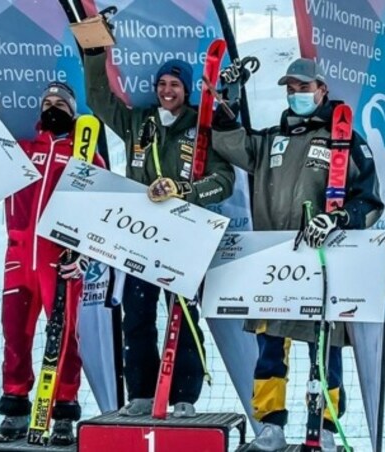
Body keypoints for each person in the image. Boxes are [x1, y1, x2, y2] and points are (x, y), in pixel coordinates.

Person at [211, 58, 384, 451]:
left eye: (303, 88)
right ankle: (270, 427)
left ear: (322, 89)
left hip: (325, 262)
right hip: (276, 263)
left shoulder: (343, 139)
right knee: (270, 347)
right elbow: (231, 142)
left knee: (324, 350)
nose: (296, 94)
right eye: (290, 88)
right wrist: (228, 101)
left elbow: (370, 202)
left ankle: (323, 427)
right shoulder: (272, 137)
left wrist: (338, 218)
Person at [82, 45, 235, 417]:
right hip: (140, 236)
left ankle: (184, 394)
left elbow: (225, 181)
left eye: (175, 85)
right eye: (162, 84)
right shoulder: (139, 122)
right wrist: (94, 53)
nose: (168, 91)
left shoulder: (201, 128)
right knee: (136, 313)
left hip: (184, 237)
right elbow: (99, 100)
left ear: (187, 91)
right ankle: (142, 393)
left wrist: (187, 191)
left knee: (181, 314)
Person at [0, 81, 106, 444]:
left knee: (65, 339)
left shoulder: (85, 154)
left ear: (73, 111)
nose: (53, 107)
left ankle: (62, 413)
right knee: (15, 335)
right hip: (19, 258)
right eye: (47, 102)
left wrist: (84, 254)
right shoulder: (21, 151)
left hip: (61, 261)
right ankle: (15, 410)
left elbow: (101, 212)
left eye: (61, 103)